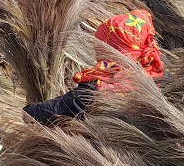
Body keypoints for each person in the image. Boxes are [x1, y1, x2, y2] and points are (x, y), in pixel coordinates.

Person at [23, 10, 164, 125]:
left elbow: (53, 110)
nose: (98, 49)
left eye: (104, 43)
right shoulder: (161, 76)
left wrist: (30, 110)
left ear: (115, 48)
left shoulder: (103, 87)